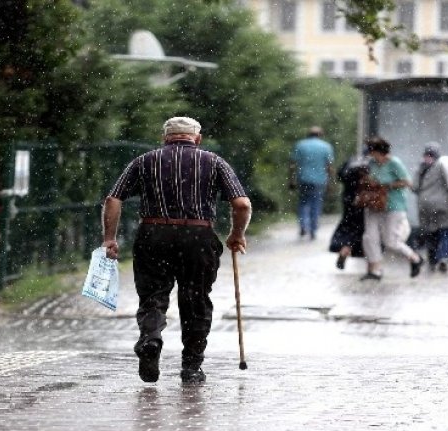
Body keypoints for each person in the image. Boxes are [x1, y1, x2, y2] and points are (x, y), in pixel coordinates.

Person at [102, 116, 252, 384]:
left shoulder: (144, 161)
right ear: (198, 138)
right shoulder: (214, 161)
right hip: (198, 236)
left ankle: (150, 339)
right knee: (195, 300)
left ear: (165, 138)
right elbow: (241, 204)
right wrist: (236, 234)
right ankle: (191, 368)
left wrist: (109, 238)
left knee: (153, 296)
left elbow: (113, 198)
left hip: (153, 234)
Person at [360, 137, 423, 281]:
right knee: (369, 237)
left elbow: (407, 182)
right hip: (374, 204)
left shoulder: (394, 163)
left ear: (379, 151)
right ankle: (376, 270)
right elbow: (368, 178)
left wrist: (388, 186)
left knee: (390, 241)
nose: (370, 154)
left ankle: (414, 258)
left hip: (394, 205)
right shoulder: (371, 163)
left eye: (372, 151)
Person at [412, 143, 448, 273]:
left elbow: (415, 187)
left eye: (430, 155)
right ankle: (443, 258)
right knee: (446, 232)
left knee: (433, 233)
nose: (428, 158)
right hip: (446, 206)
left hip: (428, 207)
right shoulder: (445, 167)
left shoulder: (422, 169)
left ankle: (434, 260)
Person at [289, 126, 334, 240]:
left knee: (303, 203)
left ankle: (303, 225)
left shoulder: (300, 145)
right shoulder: (326, 147)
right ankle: (313, 229)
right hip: (319, 180)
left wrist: (291, 180)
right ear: (320, 135)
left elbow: (293, 164)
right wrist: (330, 183)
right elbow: (329, 167)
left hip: (303, 178)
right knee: (316, 204)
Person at [329, 152, 369, 270]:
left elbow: (340, 176)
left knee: (348, 225)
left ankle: (344, 249)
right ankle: (371, 264)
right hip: (362, 200)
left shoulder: (351, 160)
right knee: (362, 229)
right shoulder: (369, 164)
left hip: (348, 199)